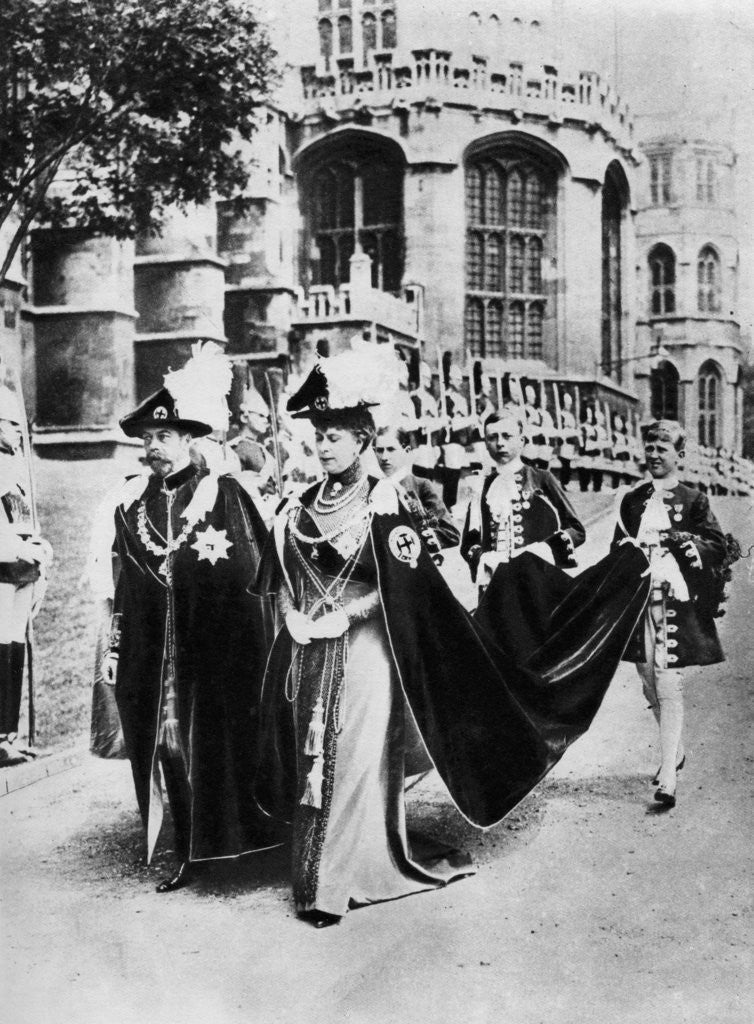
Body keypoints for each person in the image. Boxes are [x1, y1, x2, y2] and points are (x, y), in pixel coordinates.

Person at [255, 349, 653, 928]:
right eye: (318, 435)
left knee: (354, 757)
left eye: (335, 435)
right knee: (314, 755)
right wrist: (294, 615)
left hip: (366, 647)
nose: (323, 446)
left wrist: (347, 616)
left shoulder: (383, 503)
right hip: (308, 649)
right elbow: (282, 576)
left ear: (365, 440)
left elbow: (403, 588)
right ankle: (330, 868)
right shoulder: (297, 504)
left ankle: (331, 887)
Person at [104, 344, 275, 891]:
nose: (154, 448)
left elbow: (252, 573)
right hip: (157, 651)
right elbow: (127, 586)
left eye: (165, 437)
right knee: (168, 745)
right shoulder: (130, 506)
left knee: (224, 741)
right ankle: (189, 849)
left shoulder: (223, 493)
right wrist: (120, 644)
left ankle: (244, 843)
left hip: (220, 647)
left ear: (188, 440)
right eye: (149, 439)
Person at [611, 420, 727, 807]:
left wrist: (685, 544)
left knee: (668, 681)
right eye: (650, 447)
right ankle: (674, 750)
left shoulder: (694, 500)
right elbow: (617, 549)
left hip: (675, 602)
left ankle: (667, 778)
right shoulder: (632, 499)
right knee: (647, 679)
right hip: (639, 601)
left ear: (679, 456)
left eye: (663, 449)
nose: (654, 455)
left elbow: (716, 543)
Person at [461, 408, 585, 592]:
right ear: (486, 444)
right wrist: (484, 559)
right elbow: (468, 544)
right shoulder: (481, 487)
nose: (500, 443)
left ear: (521, 441)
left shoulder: (541, 479)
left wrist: (543, 550)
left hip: (537, 583)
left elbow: (576, 530)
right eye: (492, 437)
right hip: (495, 587)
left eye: (507, 436)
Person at [0, 386, 51, 766]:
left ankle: (9, 734)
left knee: (14, 644)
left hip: (21, 568)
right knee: (1, 644)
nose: (17, 433)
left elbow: (23, 520)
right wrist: (21, 549)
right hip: (2, 566)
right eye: (9, 425)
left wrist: (40, 547)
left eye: (20, 426)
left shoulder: (15, 465)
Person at [374, 423, 459, 558]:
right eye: (379, 450)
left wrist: (418, 538)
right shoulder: (373, 488)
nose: (384, 457)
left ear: (407, 451)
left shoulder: (421, 485)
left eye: (391, 449)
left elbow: (451, 533)